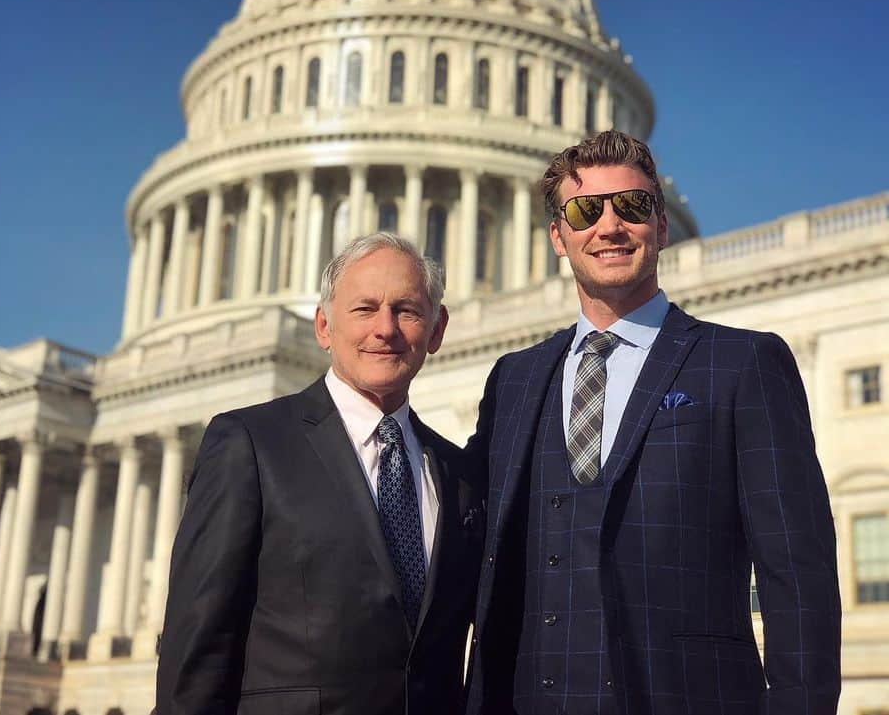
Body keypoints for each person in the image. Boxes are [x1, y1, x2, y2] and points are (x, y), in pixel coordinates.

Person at [464, 130, 841, 715]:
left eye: (633, 207)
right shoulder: (513, 380)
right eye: (585, 210)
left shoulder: (742, 364)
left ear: (662, 226)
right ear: (558, 238)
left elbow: (798, 572)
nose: (609, 227)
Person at [156, 232, 484, 715]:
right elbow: (197, 646)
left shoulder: (458, 475)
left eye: (407, 310)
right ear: (325, 327)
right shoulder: (250, 444)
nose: (385, 328)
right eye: (364, 309)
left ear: (436, 331)